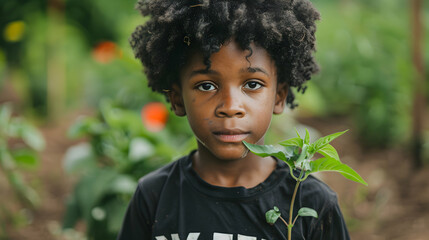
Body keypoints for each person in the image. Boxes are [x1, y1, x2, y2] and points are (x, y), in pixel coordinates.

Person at [118, 0, 350, 239]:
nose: (230, 107)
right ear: (177, 99)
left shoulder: (310, 202)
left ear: (279, 97)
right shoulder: (154, 197)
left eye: (252, 84)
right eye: (206, 85)